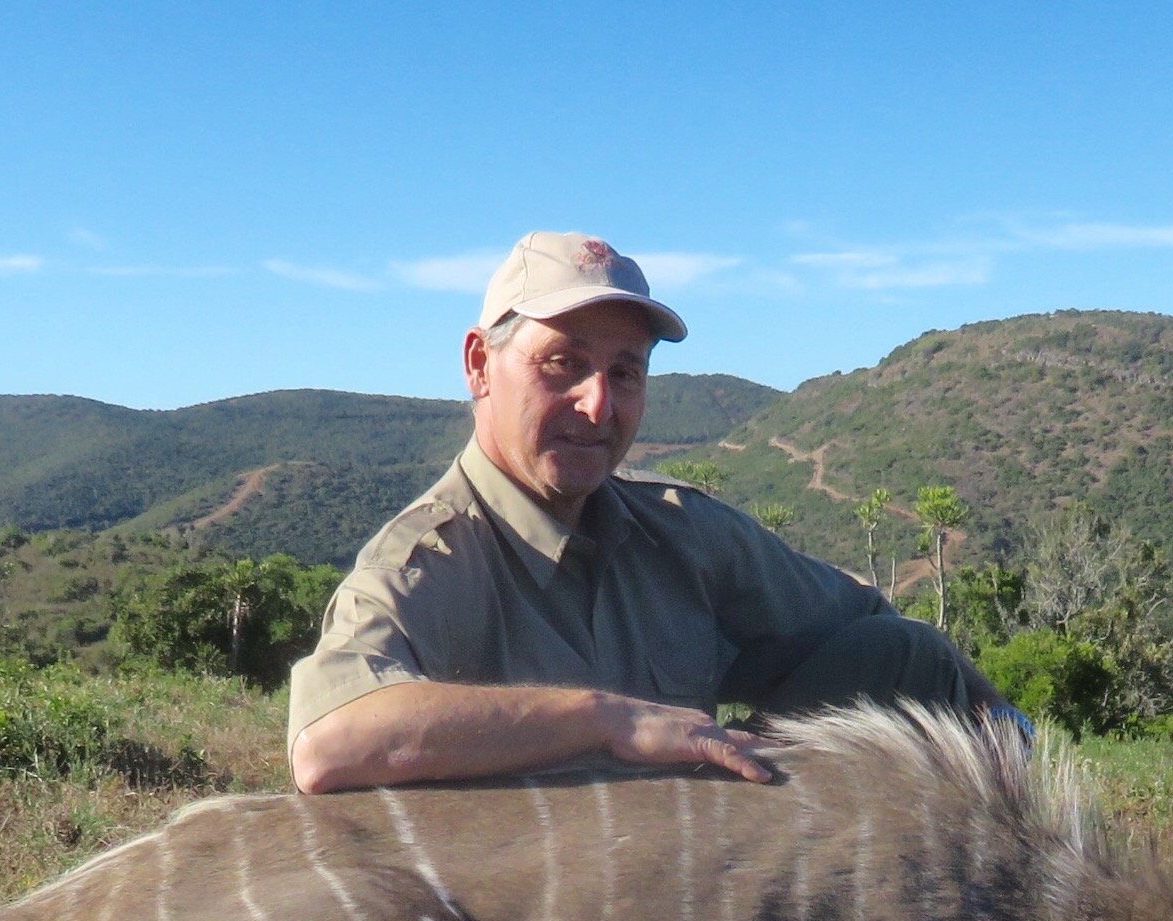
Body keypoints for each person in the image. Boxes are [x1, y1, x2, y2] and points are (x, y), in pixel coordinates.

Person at [287, 230, 1011, 794]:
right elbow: (329, 743)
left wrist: (1013, 734)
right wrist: (609, 723)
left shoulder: (681, 530)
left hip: (701, 868)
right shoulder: (432, 559)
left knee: (908, 654)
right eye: (562, 363)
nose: (598, 405)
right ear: (480, 364)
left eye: (625, 373)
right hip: (539, 915)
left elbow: (870, 631)